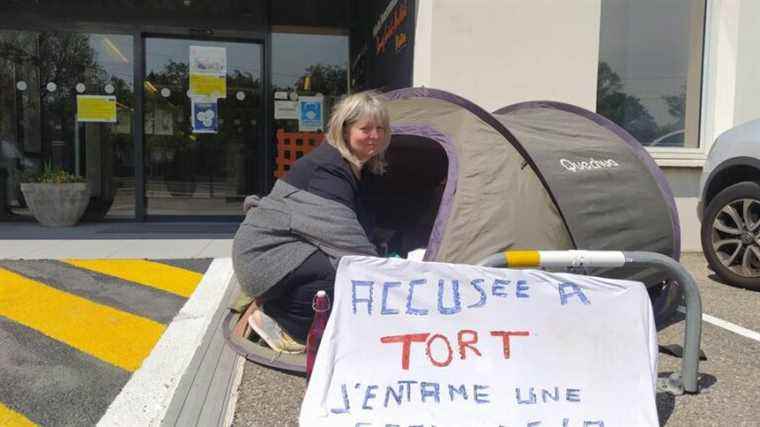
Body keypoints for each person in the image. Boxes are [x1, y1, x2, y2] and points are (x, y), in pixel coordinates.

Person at [232, 91, 390, 353]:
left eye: (381, 128)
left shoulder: (356, 166)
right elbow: (347, 242)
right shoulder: (327, 172)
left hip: (290, 248)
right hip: (262, 258)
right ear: (345, 129)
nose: (375, 136)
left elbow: (362, 223)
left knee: (343, 269)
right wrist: (392, 277)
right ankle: (287, 327)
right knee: (341, 275)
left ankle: (281, 305)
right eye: (366, 128)